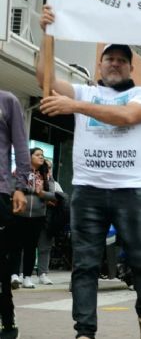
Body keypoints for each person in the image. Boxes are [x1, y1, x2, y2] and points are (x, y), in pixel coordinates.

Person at [39, 5, 141, 339]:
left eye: (122, 59)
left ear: (131, 66)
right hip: (88, 190)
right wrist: (46, 35)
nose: (115, 63)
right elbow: (44, 80)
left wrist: (74, 106)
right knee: (86, 264)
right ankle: (85, 331)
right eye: (110, 58)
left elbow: (125, 117)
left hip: (131, 191)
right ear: (100, 64)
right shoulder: (86, 91)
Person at [0, 89, 31, 339]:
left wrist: (20, 187)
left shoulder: (8, 101)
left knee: (1, 264)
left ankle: (6, 321)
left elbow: (22, 148)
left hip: (0, 192)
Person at [10, 148, 56, 289]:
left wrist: (41, 192)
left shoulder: (46, 175)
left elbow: (53, 195)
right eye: (37, 155)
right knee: (16, 245)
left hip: (38, 216)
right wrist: (30, 190)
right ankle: (14, 274)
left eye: (42, 155)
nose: (41, 157)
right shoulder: (19, 172)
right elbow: (11, 189)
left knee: (31, 247)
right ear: (29, 157)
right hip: (19, 214)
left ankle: (28, 277)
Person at [37, 160, 65, 286]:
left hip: (48, 220)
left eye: (49, 167)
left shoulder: (55, 183)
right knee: (25, 246)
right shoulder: (33, 180)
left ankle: (43, 274)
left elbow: (60, 199)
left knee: (45, 248)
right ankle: (21, 274)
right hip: (32, 217)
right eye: (45, 167)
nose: (48, 169)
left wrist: (44, 196)